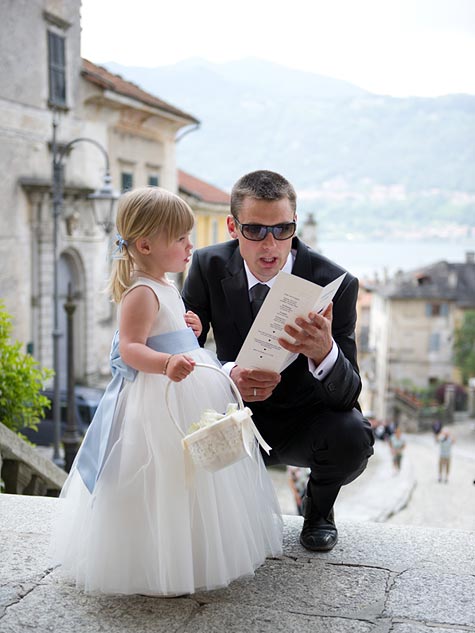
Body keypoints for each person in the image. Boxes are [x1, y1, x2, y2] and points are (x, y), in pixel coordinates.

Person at [49, 187, 283, 596]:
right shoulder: (141, 291)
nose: (190, 245)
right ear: (145, 244)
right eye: (179, 239)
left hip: (185, 391)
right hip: (159, 400)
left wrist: (186, 330)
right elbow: (131, 347)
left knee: (195, 478)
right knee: (163, 476)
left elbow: (164, 330)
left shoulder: (164, 284)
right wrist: (166, 362)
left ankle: (192, 551)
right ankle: (156, 560)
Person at [183, 170, 375, 552]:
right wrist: (227, 375)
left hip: (306, 421)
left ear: (295, 224)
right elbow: (183, 350)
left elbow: (349, 395)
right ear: (232, 227)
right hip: (234, 412)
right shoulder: (207, 265)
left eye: (282, 229)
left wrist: (325, 352)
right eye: (255, 230)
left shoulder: (335, 281)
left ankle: (318, 511)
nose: (270, 244)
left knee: (353, 436)